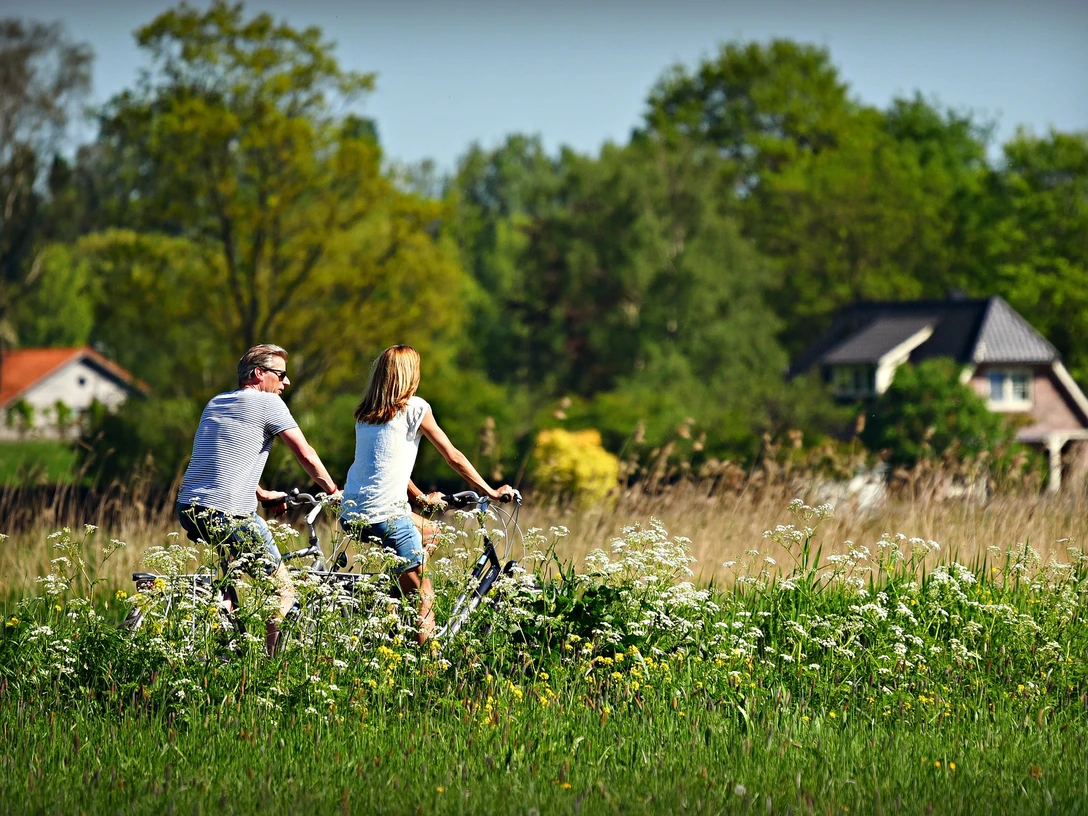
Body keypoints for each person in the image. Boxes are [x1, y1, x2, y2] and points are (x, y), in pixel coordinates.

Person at [340, 344, 516, 644]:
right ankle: (428, 670)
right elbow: (453, 456)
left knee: (431, 531)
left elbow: (385, 464)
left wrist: (419, 497)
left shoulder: (366, 414)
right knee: (425, 596)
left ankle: (393, 605)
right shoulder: (416, 408)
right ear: (410, 376)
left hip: (352, 511)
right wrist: (490, 491)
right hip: (387, 514)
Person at [177, 344, 340, 656]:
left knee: (230, 580)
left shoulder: (216, 402)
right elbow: (305, 454)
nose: (286, 382)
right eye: (280, 375)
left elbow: (223, 460)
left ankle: (225, 636)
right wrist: (333, 492)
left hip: (189, 507)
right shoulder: (268, 404)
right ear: (258, 375)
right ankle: (269, 668)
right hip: (227, 512)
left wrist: (262, 493)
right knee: (283, 591)